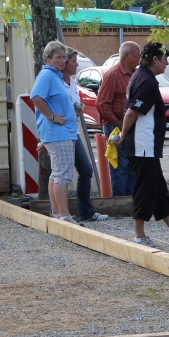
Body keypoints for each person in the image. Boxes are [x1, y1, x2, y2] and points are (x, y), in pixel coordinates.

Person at [116, 42, 169, 248]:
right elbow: (131, 112)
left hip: (148, 146)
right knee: (145, 190)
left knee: (160, 190)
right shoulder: (147, 81)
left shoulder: (141, 76)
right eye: (165, 58)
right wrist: (123, 135)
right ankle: (139, 236)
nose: (167, 62)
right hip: (143, 145)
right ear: (155, 59)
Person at [30, 41, 81, 224]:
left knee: (57, 173)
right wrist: (52, 117)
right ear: (48, 59)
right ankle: (64, 215)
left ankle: (57, 213)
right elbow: (36, 97)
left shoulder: (55, 76)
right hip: (59, 132)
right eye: (58, 57)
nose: (62, 61)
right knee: (63, 174)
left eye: (63, 57)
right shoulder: (47, 75)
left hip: (61, 132)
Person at [60, 47, 108, 222]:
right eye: (73, 61)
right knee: (60, 174)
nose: (77, 64)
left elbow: (74, 102)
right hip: (61, 133)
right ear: (64, 63)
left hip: (73, 131)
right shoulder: (57, 82)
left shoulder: (72, 81)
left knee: (86, 171)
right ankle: (59, 213)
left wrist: (78, 107)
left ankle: (85, 212)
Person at [97, 41, 140, 196]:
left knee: (131, 164)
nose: (140, 57)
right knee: (120, 166)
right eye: (138, 54)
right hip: (116, 126)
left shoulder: (135, 73)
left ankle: (131, 201)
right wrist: (118, 123)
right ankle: (120, 202)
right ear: (127, 56)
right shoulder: (113, 75)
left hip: (129, 125)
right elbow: (102, 104)